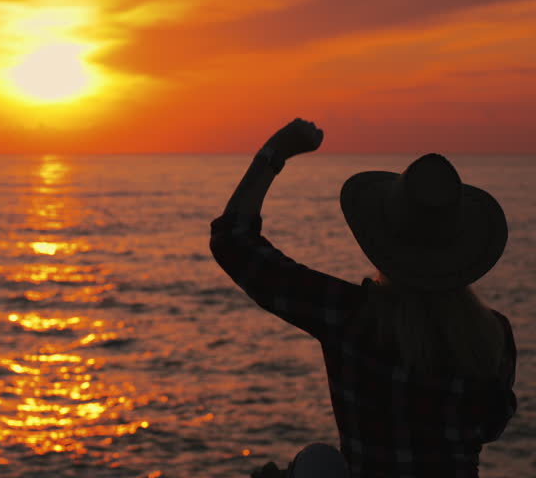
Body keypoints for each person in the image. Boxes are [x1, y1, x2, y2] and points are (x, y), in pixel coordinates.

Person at [209, 119, 517, 478]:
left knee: (315, 462)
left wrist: (274, 153)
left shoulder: (350, 317)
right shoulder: (494, 335)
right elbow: (490, 428)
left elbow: (234, 243)